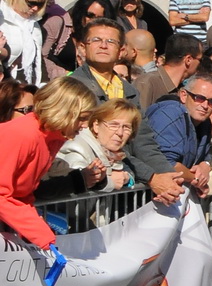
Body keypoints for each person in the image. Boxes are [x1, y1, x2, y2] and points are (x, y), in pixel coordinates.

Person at [65, 19, 182, 202]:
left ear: (121, 51)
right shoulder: (72, 88)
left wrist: (168, 178)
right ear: (82, 47)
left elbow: (143, 141)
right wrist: (152, 177)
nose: (103, 46)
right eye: (96, 40)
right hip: (91, 187)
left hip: (125, 181)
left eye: (111, 41)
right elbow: (98, 144)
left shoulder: (129, 90)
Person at [0, 76, 98, 252]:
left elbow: (23, 193)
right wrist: (40, 233)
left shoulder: (51, 138)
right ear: (63, 112)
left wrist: (33, 230)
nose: (84, 126)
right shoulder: (22, 134)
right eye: (81, 118)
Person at [145, 75, 212, 193]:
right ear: (184, 95)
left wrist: (205, 165)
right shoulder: (170, 114)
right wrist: (197, 180)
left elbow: (205, 154)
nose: (205, 106)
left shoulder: (205, 123)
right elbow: (166, 163)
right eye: (199, 98)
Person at [52, 100, 141, 192]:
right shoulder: (78, 148)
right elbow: (79, 183)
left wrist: (126, 179)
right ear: (96, 126)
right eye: (113, 125)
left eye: (126, 127)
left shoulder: (114, 153)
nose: (120, 133)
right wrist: (109, 181)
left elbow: (126, 172)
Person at [135, 32, 203, 110]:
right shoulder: (147, 83)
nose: (200, 64)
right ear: (188, 60)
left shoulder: (184, 90)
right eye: (200, 60)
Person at [0, 0, 49, 85]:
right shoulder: (2, 19)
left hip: (29, 84)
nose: (35, 8)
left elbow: (39, 60)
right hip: (7, 84)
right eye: (31, 3)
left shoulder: (34, 24)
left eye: (40, 4)